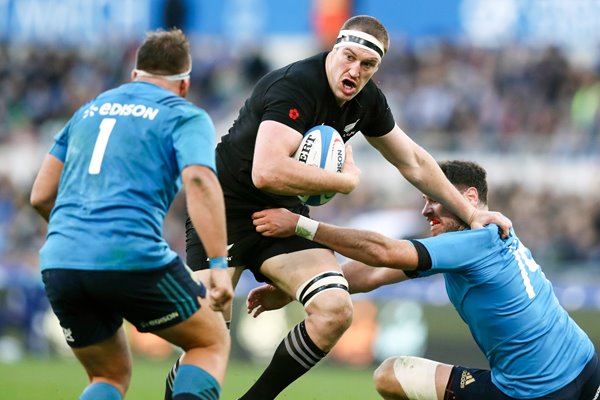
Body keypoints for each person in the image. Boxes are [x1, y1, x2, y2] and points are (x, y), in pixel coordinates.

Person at [171, 15, 512, 400]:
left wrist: (471, 215)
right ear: (334, 48)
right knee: (206, 338)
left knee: (335, 309)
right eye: (349, 56)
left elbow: (413, 161)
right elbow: (265, 172)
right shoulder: (297, 85)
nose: (355, 70)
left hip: (284, 217)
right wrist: (345, 180)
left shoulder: (366, 101)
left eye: (368, 65)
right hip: (223, 211)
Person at [248, 160, 600, 400]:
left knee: (390, 374)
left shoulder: (472, 242)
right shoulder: (488, 235)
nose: (425, 209)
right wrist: (300, 291)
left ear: (469, 199)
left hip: (536, 390)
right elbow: (371, 273)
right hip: (585, 366)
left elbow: (382, 252)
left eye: (434, 200)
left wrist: (302, 226)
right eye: (425, 199)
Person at [30, 29, 233, 400]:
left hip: (62, 260)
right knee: (210, 341)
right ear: (184, 85)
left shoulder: (89, 110)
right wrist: (218, 264)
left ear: (134, 76)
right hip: (130, 254)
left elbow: (41, 195)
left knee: (107, 375)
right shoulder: (184, 115)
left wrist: (79, 242)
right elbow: (200, 181)